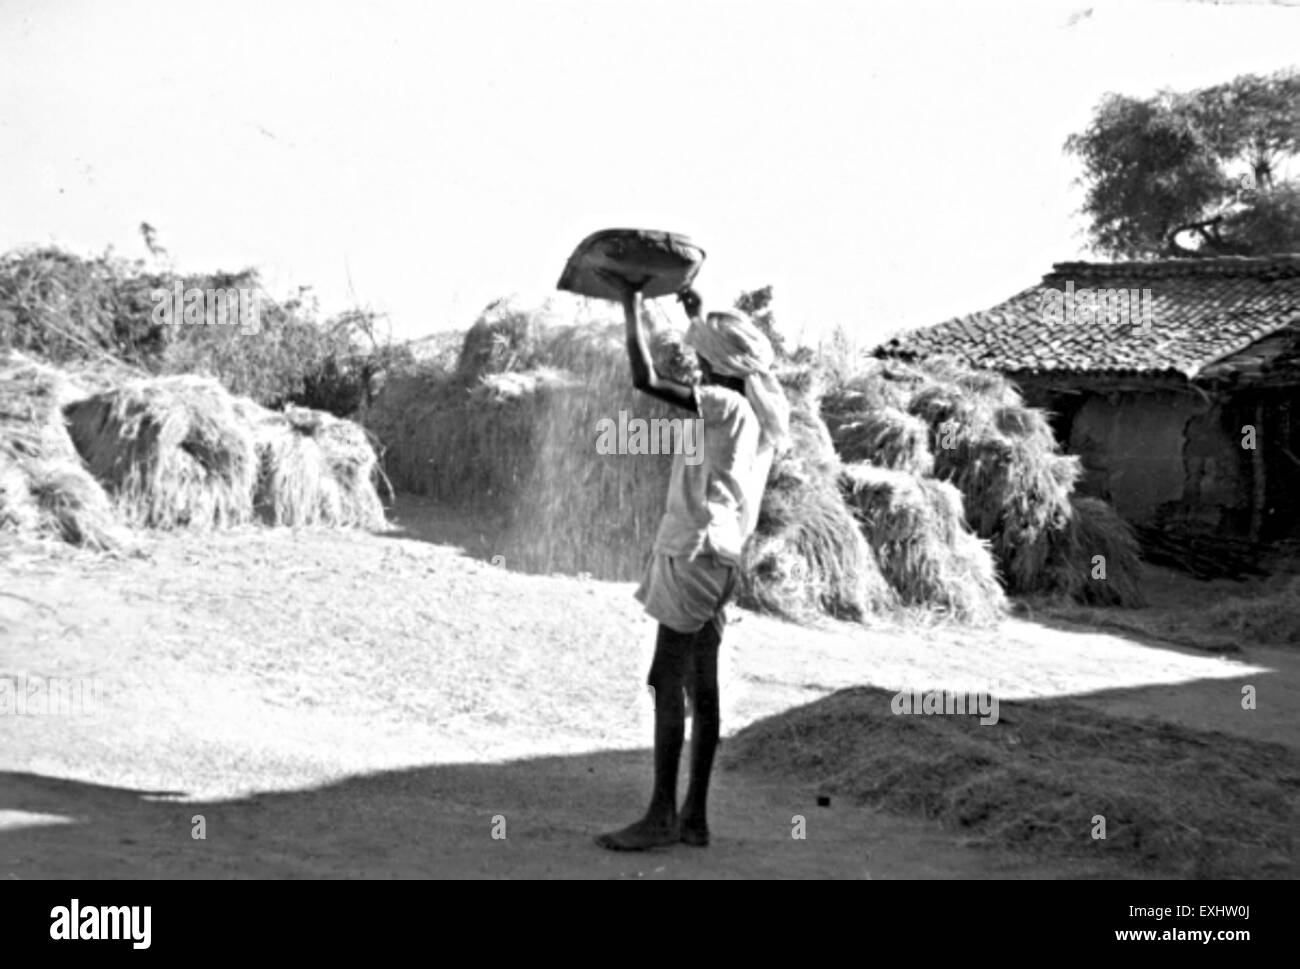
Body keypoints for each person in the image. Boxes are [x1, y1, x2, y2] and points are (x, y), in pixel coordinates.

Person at [595, 274, 790, 851]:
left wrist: (630, 306)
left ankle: (659, 816)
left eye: (703, 358)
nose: (696, 368)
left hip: (693, 553)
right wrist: (697, 315)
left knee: (664, 679)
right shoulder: (753, 415)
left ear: (719, 365)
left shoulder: (724, 404)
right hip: (720, 559)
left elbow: (645, 378)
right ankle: (695, 817)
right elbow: (702, 362)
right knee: (702, 688)